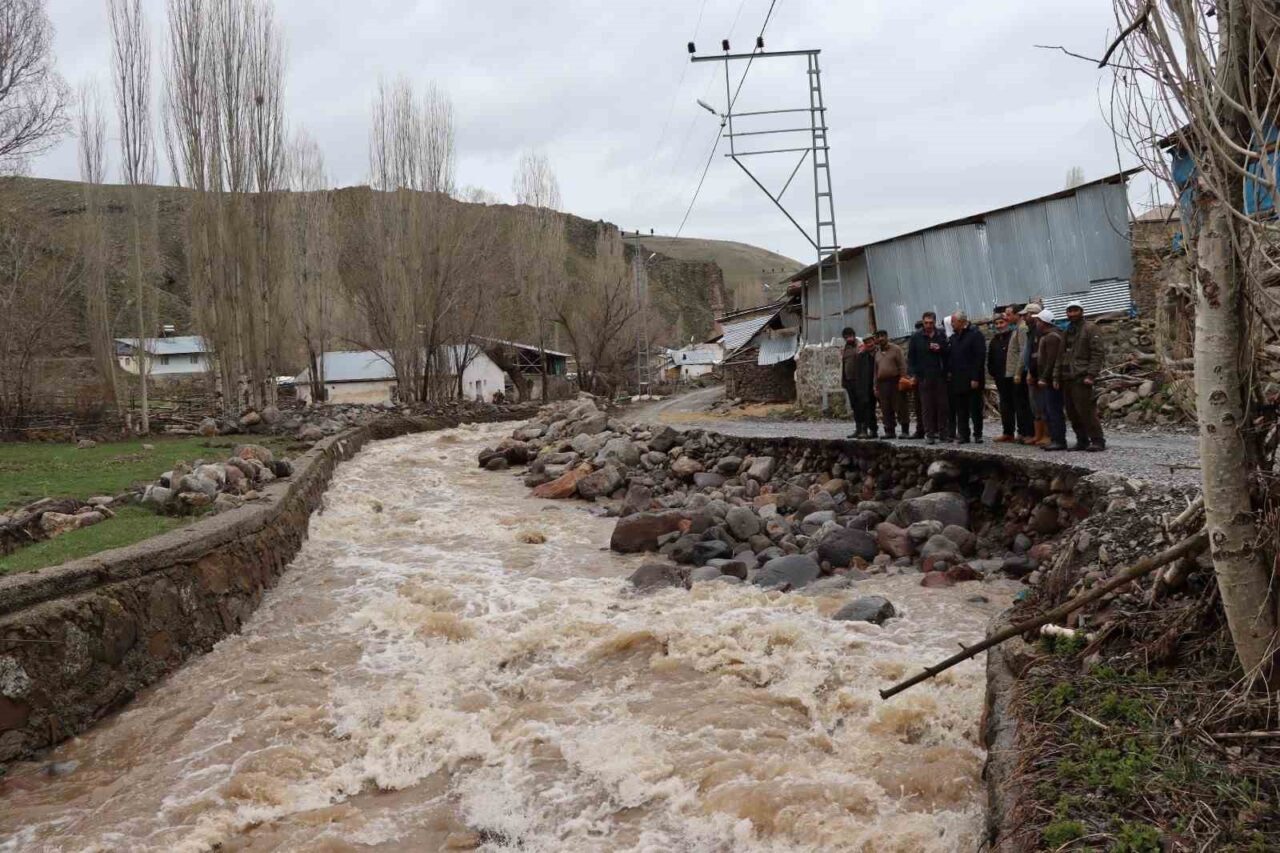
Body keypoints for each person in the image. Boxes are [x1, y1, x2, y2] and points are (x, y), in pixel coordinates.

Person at [1061, 299, 1107, 451]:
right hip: (1068, 376)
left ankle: (1098, 440)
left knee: (1086, 411)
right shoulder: (1068, 330)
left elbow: (1097, 353)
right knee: (1072, 412)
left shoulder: (1090, 328)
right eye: (1070, 311)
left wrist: (1091, 375)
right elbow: (1062, 355)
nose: (1072, 314)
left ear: (1082, 311)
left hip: (1082, 376)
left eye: (1075, 310)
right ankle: (1082, 440)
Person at [907, 311, 949, 444]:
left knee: (942, 406)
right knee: (927, 407)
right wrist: (913, 375)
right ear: (923, 322)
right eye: (926, 323)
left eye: (931, 323)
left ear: (935, 322)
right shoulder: (916, 337)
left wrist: (940, 348)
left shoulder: (941, 334)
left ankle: (943, 433)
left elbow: (948, 353)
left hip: (939, 376)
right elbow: (911, 358)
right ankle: (929, 434)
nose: (928, 325)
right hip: (924, 377)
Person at [945, 311, 987, 443]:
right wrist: (949, 372)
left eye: (953, 321)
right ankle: (964, 434)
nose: (951, 324)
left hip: (972, 378)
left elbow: (979, 357)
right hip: (958, 379)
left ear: (962, 322)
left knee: (975, 407)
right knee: (961, 408)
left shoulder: (975, 335)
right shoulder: (953, 338)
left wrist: (975, 377)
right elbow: (951, 358)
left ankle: (978, 434)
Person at [997, 305, 1034, 442]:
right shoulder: (1016, 329)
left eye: (1008, 314)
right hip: (1013, 372)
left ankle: (1028, 432)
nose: (1006, 317)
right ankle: (1022, 432)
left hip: (1020, 372)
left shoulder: (1022, 328)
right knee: (1018, 403)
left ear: (1017, 314)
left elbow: (1023, 352)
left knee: (1024, 403)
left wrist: (1018, 372)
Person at [1034, 308, 1068, 451]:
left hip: (1052, 379)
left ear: (1044, 322)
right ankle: (1054, 438)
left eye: (1038, 321)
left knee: (1054, 410)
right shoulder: (1048, 336)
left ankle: (1059, 440)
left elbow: (1051, 360)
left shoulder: (1052, 337)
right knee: (1049, 410)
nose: (1036, 323)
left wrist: (1044, 377)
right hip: (1049, 378)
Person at [1018, 302, 1049, 446]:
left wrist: (1034, 372)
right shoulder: (1030, 331)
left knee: (1043, 405)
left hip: (1039, 373)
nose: (1024, 317)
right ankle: (1038, 435)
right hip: (1032, 371)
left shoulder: (1040, 332)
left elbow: (1038, 355)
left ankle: (1047, 435)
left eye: (1026, 314)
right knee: (1035, 406)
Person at [873, 330, 909, 438]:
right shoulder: (877, 353)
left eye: (883, 336)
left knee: (900, 405)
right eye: (878, 337)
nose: (881, 338)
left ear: (887, 337)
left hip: (895, 381)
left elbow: (902, 365)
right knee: (886, 408)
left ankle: (905, 431)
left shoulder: (896, 349)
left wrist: (903, 379)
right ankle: (889, 431)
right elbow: (875, 371)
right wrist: (875, 386)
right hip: (882, 384)